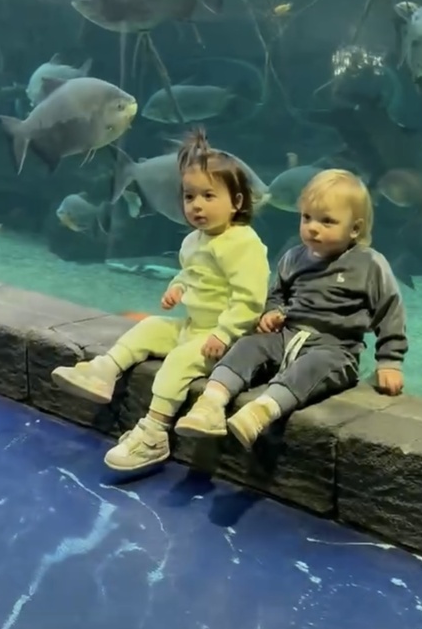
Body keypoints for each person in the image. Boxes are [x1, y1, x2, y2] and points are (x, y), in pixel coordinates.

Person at [51, 130, 269, 472]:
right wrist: (177, 287)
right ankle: (104, 370)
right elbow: (191, 273)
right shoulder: (194, 241)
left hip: (226, 341)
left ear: (237, 202)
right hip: (193, 326)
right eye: (189, 196)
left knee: (179, 362)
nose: (197, 205)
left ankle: (154, 432)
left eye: (208, 195)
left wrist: (224, 334)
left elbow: (250, 300)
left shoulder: (244, 243)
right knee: (150, 326)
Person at [176, 168, 407, 449]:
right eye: (306, 217)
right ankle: (210, 403)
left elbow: (390, 311)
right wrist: (271, 313)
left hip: (335, 349)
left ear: (355, 229)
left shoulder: (369, 264)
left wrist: (390, 361)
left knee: (312, 367)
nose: (312, 227)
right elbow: (277, 294)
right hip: (287, 335)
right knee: (248, 345)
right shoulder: (294, 257)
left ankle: (259, 413)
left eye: (327, 221)